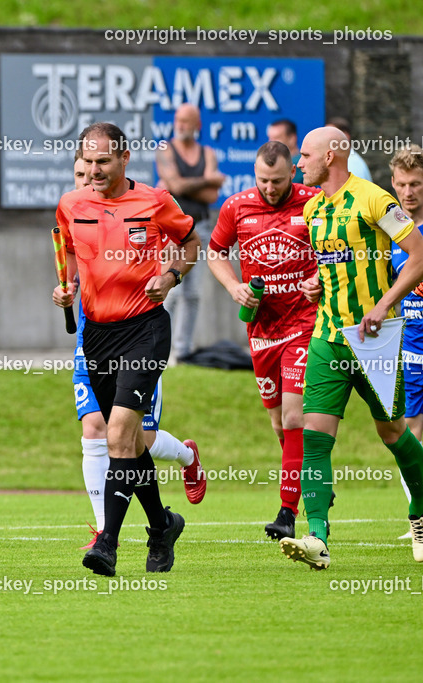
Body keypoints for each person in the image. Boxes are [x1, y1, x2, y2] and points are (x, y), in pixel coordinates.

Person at [54, 122, 200, 576]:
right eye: (88, 162)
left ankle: (107, 543)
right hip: (97, 335)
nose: (95, 170)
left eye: (103, 161)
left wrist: (171, 277)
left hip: (144, 329)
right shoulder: (71, 204)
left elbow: (191, 243)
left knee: (116, 433)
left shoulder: (155, 201)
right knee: (132, 443)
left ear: (124, 158)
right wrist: (66, 286)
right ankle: (162, 525)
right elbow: (68, 249)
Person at [280, 127, 423, 569]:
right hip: (327, 337)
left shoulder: (376, 200)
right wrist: (316, 284)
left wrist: (383, 304)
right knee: (314, 436)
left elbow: (418, 257)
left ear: (331, 156)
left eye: (305, 155)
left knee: (393, 433)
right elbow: (337, 266)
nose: (299, 163)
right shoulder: (313, 207)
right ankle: (317, 537)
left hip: (375, 340)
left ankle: (420, 511)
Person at [207, 141, 319, 540]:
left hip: (304, 324)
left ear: (293, 173)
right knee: (278, 424)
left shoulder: (314, 202)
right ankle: (313, 480)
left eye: (277, 180)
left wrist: (319, 278)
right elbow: (215, 252)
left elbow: (339, 249)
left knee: (294, 417)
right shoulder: (237, 207)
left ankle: (287, 512)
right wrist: (233, 286)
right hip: (261, 330)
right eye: (263, 180)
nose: (270, 188)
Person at [156, 103, 225, 360]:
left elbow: (212, 195)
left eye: (186, 121)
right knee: (171, 290)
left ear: (198, 125)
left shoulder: (207, 153)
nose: (181, 125)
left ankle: (182, 351)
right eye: (178, 120)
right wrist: (209, 180)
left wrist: (182, 185)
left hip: (201, 227)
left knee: (193, 293)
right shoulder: (165, 150)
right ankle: (161, 348)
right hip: (173, 231)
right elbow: (176, 186)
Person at [389, 145, 423, 539]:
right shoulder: (389, 231)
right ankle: (420, 515)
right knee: (408, 434)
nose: (408, 192)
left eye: (416, 184)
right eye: (402, 184)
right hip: (411, 350)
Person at [327, 117, 373, 182]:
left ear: (345, 136)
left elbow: (355, 187)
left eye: (330, 134)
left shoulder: (352, 163)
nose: (326, 139)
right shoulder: (345, 160)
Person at [267, 119, 304, 185]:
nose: (271, 143)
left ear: (292, 139)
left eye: (276, 138)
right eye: (270, 138)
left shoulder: (303, 165)